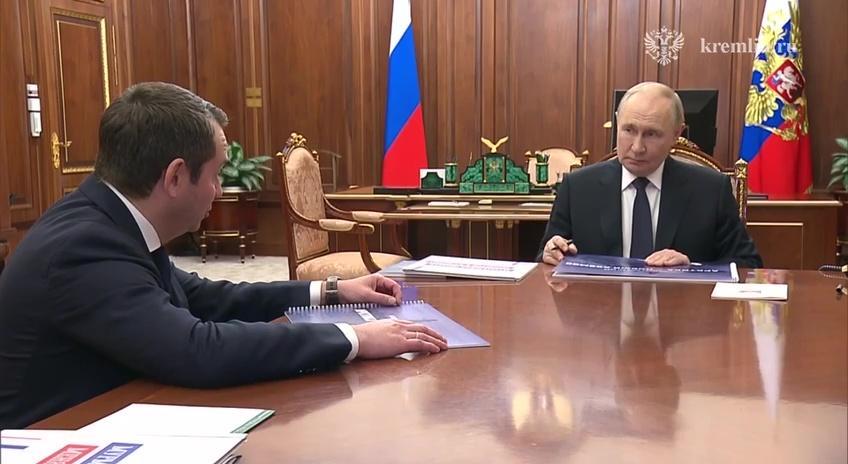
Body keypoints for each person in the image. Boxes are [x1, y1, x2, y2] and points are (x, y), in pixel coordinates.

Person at [0, 82, 447, 429]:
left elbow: (203, 297)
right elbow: (196, 350)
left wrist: (334, 291)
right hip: (59, 436)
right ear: (176, 177)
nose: (217, 191)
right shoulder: (84, 247)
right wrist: (355, 339)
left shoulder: (109, 218)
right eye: (216, 175)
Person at [538, 82, 762, 269]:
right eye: (629, 130)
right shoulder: (578, 188)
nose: (637, 147)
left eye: (651, 134)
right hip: (598, 307)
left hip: (681, 307)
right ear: (617, 122)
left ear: (676, 134)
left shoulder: (711, 190)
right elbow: (545, 259)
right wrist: (551, 253)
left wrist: (692, 267)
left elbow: (748, 265)